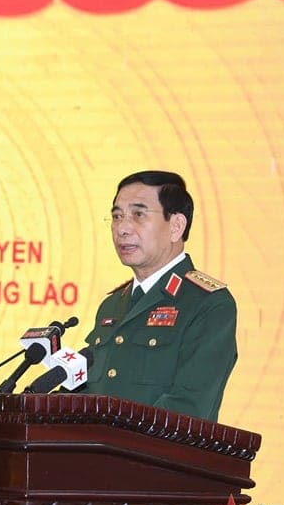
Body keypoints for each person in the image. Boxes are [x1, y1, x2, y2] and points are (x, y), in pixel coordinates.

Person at [80, 170, 237, 422]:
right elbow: (90, 392)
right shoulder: (112, 305)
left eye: (138, 215)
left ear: (176, 226)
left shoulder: (209, 304)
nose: (122, 229)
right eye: (117, 217)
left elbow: (188, 408)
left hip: (152, 448)